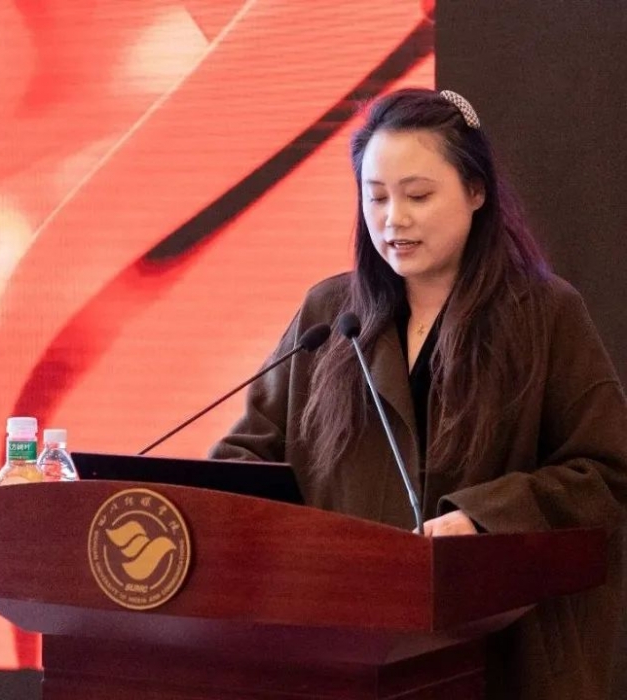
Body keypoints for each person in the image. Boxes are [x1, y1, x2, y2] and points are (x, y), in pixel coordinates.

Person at [209, 88, 627, 699]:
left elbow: (607, 473)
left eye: (418, 196)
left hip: (500, 658)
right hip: (347, 651)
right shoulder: (331, 313)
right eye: (376, 197)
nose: (393, 219)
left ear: (476, 191)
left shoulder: (544, 314)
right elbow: (247, 462)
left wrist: (482, 518)